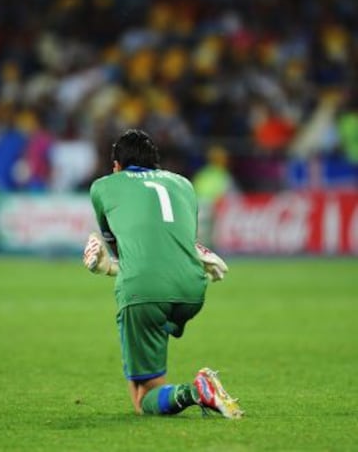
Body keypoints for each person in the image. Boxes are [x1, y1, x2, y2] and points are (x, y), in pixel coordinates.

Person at [83, 128, 243, 418]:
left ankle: (196, 391)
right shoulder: (183, 184)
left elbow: (125, 254)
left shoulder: (103, 186)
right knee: (159, 319)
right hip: (194, 290)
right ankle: (161, 329)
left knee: (143, 399)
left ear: (116, 166)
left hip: (144, 293)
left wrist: (105, 266)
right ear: (155, 163)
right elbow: (175, 240)